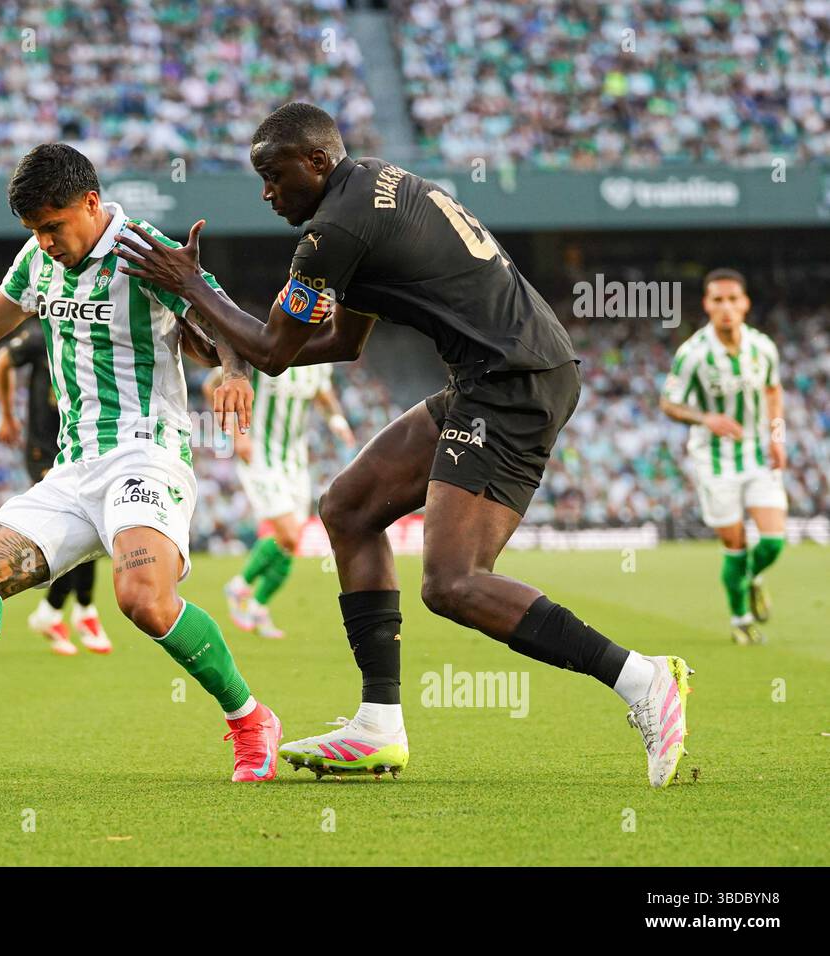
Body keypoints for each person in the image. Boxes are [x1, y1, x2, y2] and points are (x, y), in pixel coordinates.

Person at [114, 102, 693, 788]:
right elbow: (342, 343)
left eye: (274, 176)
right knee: (348, 508)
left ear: (317, 163)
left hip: (512, 385)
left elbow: (272, 349)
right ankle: (378, 724)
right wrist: (231, 346)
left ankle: (641, 679)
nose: (267, 193)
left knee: (453, 583)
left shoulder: (332, 232)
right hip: (494, 376)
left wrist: (191, 287)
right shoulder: (374, 190)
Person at [0, 143, 282, 782]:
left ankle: (251, 720)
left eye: (52, 227)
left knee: (142, 599)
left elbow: (228, 324)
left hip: (146, 454)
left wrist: (233, 371)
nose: (44, 242)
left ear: (92, 203)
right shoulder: (37, 261)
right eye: (33, 231)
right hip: (73, 467)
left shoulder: (149, 253)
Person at [661, 269, 786, 645]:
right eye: (718, 300)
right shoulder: (693, 354)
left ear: (745, 303)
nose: (726, 307)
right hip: (714, 461)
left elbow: (773, 390)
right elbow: (668, 402)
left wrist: (777, 436)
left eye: (733, 299)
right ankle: (741, 620)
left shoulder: (762, 347)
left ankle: (751, 579)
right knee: (735, 544)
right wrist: (705, 417)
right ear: (707, 305)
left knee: (773, 542)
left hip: (756, 455)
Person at [0, 322, 112, 656]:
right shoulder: (40, 334)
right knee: (81, 517)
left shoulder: (96, 331)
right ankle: (82, 610)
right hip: (44, 450)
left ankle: (54, 611)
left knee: (87, 522)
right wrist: (7, 415)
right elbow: (2, 360)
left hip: (82, 446)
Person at [214, 364, 354, 638]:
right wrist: (236, 435)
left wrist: (337, 420)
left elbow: (323, 396)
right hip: (260, 458)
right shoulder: (264, 347)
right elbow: (213, 386)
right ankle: (240, 585)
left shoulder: (320, 360)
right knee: (288, 534)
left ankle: (258, 606)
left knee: (290, 542)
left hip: (296, 463)